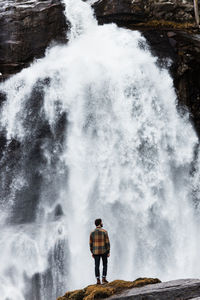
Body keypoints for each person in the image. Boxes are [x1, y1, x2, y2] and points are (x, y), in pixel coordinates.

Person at [89, 218, 110, 285]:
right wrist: (108, 251)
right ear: (100, 223)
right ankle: (104, 278)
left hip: (95, 252)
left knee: (96, 266)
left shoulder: (92, 233)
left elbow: (90, 243)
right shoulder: (104, 231)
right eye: (102, 222)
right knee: (105, 264)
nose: (102, 223)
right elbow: (107, 243)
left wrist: (92, 252)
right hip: (104, 251)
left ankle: (98, 280)